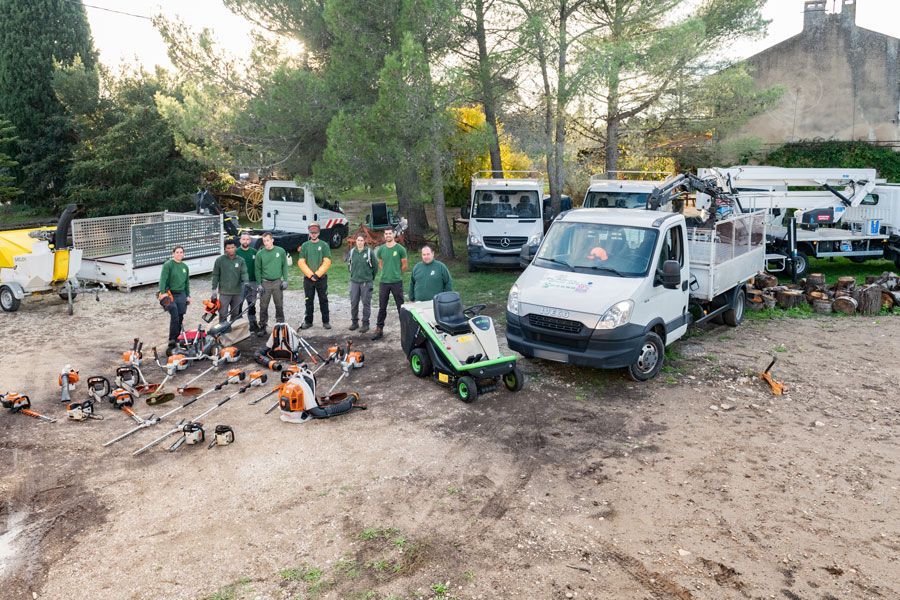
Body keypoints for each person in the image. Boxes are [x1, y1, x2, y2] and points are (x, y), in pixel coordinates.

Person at [371, 228, 408, 341]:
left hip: (396, 282)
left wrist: (396, 273)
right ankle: (379, 329)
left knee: (400, 307)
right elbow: (381, 263)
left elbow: (404, 265)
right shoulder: (381, 249)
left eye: (390, 233)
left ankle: (406, 330)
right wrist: (387, 273)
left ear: (393, 234)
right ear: (384, 235)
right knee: (382, 307)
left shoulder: (400, 249)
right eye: (386, 234)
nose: (388, 235)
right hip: (384, 282)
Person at [297, 221, 332, 330]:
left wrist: (317, 274)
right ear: (309, 232)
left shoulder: (324, 245)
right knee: (308, 300)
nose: (313, 234)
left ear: (319, 233)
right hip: (308, 279)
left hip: (321, 278)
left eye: (315, 232)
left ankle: (326, 321)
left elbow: (327, 261)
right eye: (311, 232)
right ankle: (308, 321)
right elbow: (301, 262)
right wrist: (310, 275)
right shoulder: (305, 245)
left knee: (323, 300)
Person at [253, 232, 289, 338]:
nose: (266, 243)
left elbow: (284, 266)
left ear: (272, 240)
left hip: (277, 282)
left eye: (268, 240)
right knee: (263, 306)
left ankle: (281, 326)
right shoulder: (260, 254)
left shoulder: (280, 251)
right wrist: (259, 284)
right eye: (264, 241)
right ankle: (263, 326)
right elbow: (257, 270)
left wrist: (285, 280)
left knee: (279, 305)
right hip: (265, 283)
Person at [158, 246, 191, 351]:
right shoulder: (168, 265)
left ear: (183, 254)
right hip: (170, 294)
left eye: (181, 252)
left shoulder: (185, 267)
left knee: (180, 317)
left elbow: (187, 283)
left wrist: (188, 295)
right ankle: (172, 341)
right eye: (177, 252)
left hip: (181, 294)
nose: (179, 254)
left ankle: (177, 338)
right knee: (175, 316)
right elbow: (163, 279)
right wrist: (163, 293)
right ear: (173, 254)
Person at [211, 239, 248, 323]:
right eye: (228, 248)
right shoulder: (220, 260)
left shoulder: (241, 260)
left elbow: (244, 272)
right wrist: (214, 289)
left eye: (232, 247)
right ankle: (223, 330)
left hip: (237, 292)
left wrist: (246, 282)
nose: (231, 249)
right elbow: (215, 275)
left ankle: (232, 330)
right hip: (224, 292)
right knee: (223, 313)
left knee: (235, 313)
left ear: (235, 248)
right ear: (225, 249)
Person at [347, 234, 378, 332]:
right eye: (358, 240)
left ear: (364, 241)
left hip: (366, 282)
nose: (360, 242)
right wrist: (353, 275)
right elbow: (349, 265)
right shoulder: (352, 252)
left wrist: (370, 278)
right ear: (355, 241)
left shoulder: (369, 252)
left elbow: (375, 267)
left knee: (366, 303)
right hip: (354, 282)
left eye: (361, 240)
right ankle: (354, 323)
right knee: (354, 303)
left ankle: (365, 324)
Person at [236, 232, 259, 332]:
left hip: (252, 282)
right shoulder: (236, 252)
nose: (245, 241)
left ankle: (253, 324)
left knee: (251, 304)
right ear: (240, 240)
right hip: (240, 283)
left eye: (247, 239)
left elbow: (258, 267)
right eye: (243, 239)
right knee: (238, 304)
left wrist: (259, 282)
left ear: (250, 241)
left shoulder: (254, 252)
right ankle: (238, 326)